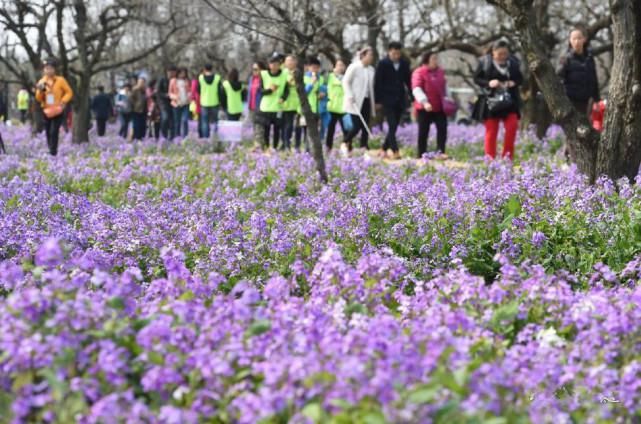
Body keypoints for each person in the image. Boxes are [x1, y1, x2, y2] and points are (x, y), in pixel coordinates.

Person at [473, 40, 523, 160]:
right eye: (499, 54)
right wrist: (489, 83)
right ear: (493, 52)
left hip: (509, 101)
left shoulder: (513, 63)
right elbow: (476, 79)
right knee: (491, 131)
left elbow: (520, 78)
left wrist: (513, 82)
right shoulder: (485, 62)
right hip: (490, 102)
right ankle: (490, 160)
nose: (502, 57)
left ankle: (507, 158)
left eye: (505, 54)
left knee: (512, 127)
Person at [375, 42, 411, 159]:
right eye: (394, 53)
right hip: (387, 99)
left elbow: (408, 81)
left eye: (398, 53)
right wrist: (378, 100)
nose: (396, 56)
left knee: (394, 126)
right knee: (392, 124)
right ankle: (395, 150)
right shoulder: (382, 64)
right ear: (389, 52)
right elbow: (378, 83)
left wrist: (412, 96)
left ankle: (383, 148)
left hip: (400, 99)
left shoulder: (404, 64)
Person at [557, 25, 599, 117]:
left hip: (586, 102)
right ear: (570, 40)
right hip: (570, 102)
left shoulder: (589, 58)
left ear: (584, 39)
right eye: (574, 39)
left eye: (579, 38)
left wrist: (597, 100)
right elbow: (558, 78)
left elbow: (594, 80)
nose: (577, 41)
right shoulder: (565, 59)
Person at [412, 51, 449, 158]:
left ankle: (440, 152)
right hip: (425, 107)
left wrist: (448, 99)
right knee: (423, 131)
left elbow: (445, 87)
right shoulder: (419, 72)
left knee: (442, 128)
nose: (436, 61)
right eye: (433, 59)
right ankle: (422, 154)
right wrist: (424, 102)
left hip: (439, 106)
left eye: (436, 59)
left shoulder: (440, 72)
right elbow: (416, 88)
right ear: (427, 60)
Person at [34, 57, 73, 156]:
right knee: (47, 131)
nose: (48, 70)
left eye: (51, 68)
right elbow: (38, 98)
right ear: (44, 70)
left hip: (58, 110)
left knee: (54, 131)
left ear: (54, 69)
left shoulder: (60, 80)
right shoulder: (41, 82)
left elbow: (69, 92)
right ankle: (50, 149)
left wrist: (63, 102)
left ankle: (53, 152)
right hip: (46, 110)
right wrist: (40, 91)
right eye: (46, 68)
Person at [342, 46, 376, 152]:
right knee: (356, 126)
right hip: (355, 101)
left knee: (366, 125)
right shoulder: (354, 67)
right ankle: (345, 142)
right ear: (363, 56)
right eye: (369, 55)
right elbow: (345, 82)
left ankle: (364, 146)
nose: (371, 57)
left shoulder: (371, 70)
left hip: (366, 100)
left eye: (372, 55)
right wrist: (350, 95)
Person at [259, 55, 289, 151]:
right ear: (269, 65)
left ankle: (275, 147)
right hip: (266, 107)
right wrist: (270, 90)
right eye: (272, 64)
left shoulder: (284, 75)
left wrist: (283, 98)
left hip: (278, 107)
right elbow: (260, 91)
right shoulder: (263, 75)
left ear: (280, 65)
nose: (274, 66)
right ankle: (266, 147)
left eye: (277, 64)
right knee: (266, 129)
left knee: (277, 129)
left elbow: (286, 90)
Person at [295, 56, 322, 151]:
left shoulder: (321, 78)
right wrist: (311, 83)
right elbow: (303, 92)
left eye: (317, 68)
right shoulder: (304, 78)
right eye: (313, 67)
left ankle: (309, 149)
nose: (315, 70)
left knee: (313, 131)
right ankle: (301, 148)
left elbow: (322, 90)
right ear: (308, 67)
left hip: (316, 108)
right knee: (304, 129)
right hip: (305, 108)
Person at [197, 63, 225, 139]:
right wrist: (220, 101)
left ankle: (206, 138)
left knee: (205, 122)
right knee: (215, 121)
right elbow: (220, 92)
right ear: (212, 69)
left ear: (204, 69)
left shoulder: (201, 78)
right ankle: (215, 137)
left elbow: (198, 90)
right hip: (214, 102)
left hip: (204, 102)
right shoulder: (217, 78)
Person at [325, 58, 347, 151]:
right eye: (338, 65)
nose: (340, 67)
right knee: (331, 129)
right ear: (334, 67)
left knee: (346, 129)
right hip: (332, 107)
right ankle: (328, 147)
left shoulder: (347, 77)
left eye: (342, 65)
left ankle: (347, 147)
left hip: (344, 108)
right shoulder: (329, 77)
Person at [281, 55, 300, 151]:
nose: (289, 63)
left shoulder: (299, 72)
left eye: (291, 61)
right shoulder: (283, 73)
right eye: (287, 61)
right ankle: (286, 144)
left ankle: (297, 145)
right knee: (287, 125)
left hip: (298, 103)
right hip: (286, 103)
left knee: (298, 126)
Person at [169, 67, 192, 138]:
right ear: (178, 73)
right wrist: (176, 97)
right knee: (177, 122)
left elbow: (190, 90)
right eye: (182, 73)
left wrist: (189, 96)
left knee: (185, 120)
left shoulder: (187, 81)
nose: (183, 74)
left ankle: (185, 136)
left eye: (184, 73)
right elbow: (170, 93)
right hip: (176, 104)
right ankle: (177, 137)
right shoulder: (173, 81)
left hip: (185, 103)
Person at [248, 61, 265, 149]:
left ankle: (259, 145)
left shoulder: (264, 79)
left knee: (260, 126)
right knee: (254, 125)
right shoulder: (251, 79)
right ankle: (256, 144)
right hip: (252, 105)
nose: (254, 71)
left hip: (260, 105)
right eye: (253, 69)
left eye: (256, 69)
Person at [156, 65, 176, 139]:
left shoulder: (175, 80)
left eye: (173, 72)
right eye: (170, 72)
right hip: (163, 103)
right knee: (165, 118)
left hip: (173, 103)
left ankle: (172, 137)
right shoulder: (162, 80)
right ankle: (163, 135)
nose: (172, 74)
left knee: (173, 121)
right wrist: (166, 95)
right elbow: (158, 92)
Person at [130, 77, 147, 141]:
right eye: (140, 82)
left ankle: (141, 138)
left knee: (143, 126)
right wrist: (135, 105)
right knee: (136, 126)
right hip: (136, 111)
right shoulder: (135, 90)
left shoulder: (145, 90)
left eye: (142, 82)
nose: (141, 84)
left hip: (144, 111)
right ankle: (136, 139)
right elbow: (130, 99)